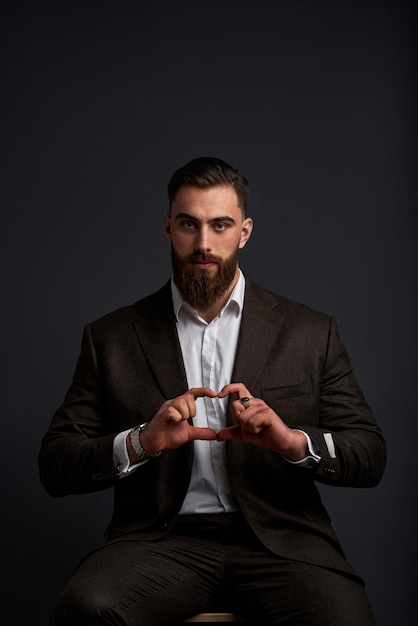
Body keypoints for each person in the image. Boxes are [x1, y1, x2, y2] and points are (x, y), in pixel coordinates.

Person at [39, 156, 386, 625]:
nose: (203, 243)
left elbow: (369, 453)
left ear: (244, 232)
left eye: (220, 225)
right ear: (168, 228)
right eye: (189, 224)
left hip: (283, 544)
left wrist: (291, 442)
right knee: (85, 608)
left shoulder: (309, 332)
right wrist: (142, 442)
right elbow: (56, 464)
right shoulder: (111, 338)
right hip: (162, 544)